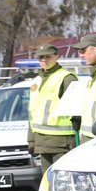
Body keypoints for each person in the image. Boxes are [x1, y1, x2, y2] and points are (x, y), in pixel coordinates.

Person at [27, 44, 78, 172]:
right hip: (42, 141)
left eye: (48, 56)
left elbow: (77, 110)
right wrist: (31, 140)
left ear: (56, 57)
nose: (44, 60)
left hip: (62, 141)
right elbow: (32, 112)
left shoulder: (66, 78)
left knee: (62, 178)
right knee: (47, 180)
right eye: (41, 57)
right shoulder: (37, 80)